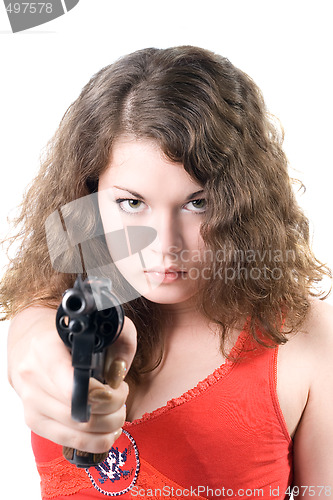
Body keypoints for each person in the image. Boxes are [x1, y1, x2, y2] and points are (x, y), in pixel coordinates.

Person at [1, 46, 333, 500]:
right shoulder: (55, 311)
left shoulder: (304, 337)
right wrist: (38, 353)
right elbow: (33, 348)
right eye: (132, 203)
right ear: (87, 196)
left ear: (244, 201)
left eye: (199, 203)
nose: (165, 246)